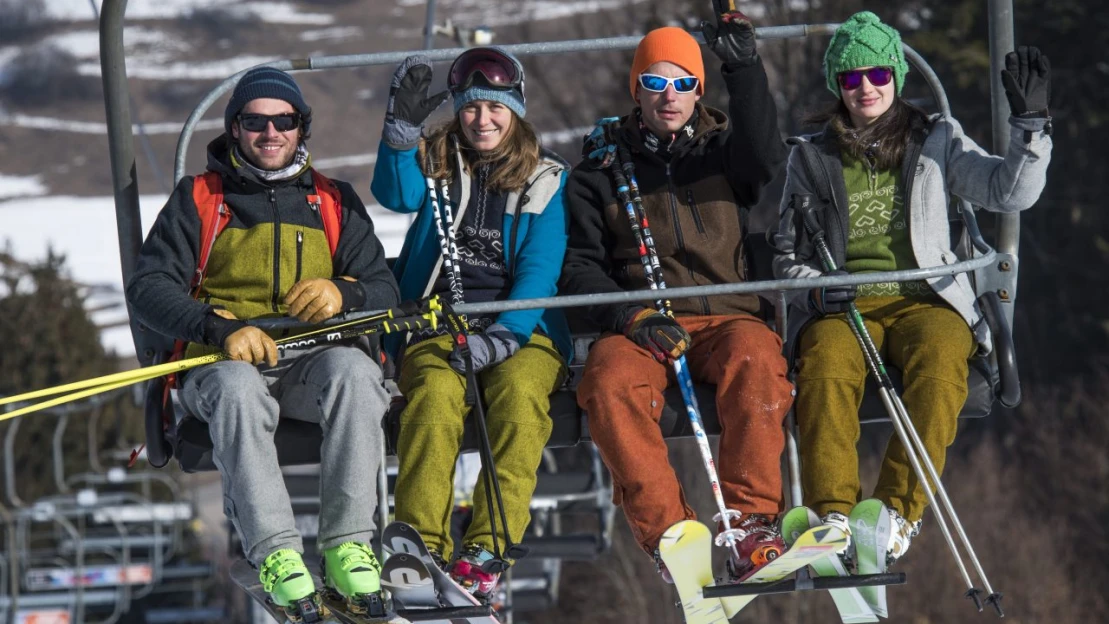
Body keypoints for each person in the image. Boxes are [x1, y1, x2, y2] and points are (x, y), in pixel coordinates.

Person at [771, 11, 1052, 566]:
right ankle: (833, 515)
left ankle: (896, 512)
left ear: (896, 77)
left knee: (944, 360)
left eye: (877, 74)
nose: (866, 88)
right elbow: (787, 255)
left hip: (926, 295)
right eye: (851, 79)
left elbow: (1007, 191)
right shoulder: (811, 158)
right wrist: (818, 290)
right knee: (824, 364)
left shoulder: (936, 140)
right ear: (838, 87)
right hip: (845, 302)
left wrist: (1031, 129)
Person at [126, 67, 399, 618]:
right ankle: (276, 553)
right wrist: (218, 328)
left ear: (302, 129)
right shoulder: (199, 198)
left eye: (285, 120)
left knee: (355, 373)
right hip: (222, 364)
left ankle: (348, 544)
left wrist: (342, 294)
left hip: (309, 366)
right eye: (255, 121)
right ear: (234, 128)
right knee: (236, 388)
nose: (270, 132)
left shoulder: (332, 200)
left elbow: (385, 291)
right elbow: (148, 287)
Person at [560, 14, 795, 583]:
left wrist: (742, 66)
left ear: (699, 91)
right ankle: (671, 536)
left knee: (758, 358)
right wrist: (630, 315)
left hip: (725, 315)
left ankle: (754, 524)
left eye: (684, 83)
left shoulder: (721, 154)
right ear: (636, 89)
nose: (671, 96)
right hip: (643, 326)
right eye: (657, 82)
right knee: (608, 381)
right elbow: (578, 269)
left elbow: (766, 155)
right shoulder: (597, 174)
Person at [371, 47, 571, 601]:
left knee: (520, 397)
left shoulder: (546, 178)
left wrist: (503, 338)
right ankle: (420, 546)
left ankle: (487, 546)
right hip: (440, 320)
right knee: (432, 395)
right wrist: (399, 135)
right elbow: (395, 194)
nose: (482, 121)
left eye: (495, 109)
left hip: (520, 330)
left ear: (517, 110)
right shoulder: (436, 160)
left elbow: (539, 269)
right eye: (471, 109)